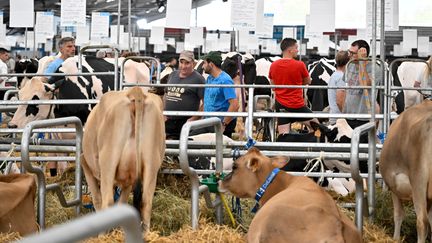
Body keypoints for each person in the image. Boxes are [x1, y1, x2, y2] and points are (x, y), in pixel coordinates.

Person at [269, 38, 318, 135]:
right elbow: (308, 81)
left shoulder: (273, 65)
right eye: (296, 48)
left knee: (283, 135)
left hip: (281, 105)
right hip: (297, 105)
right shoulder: (300, 65)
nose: (297, 50)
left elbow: (273, 86)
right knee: (317, 127)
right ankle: (307, 146)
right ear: (290, 50)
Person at [192, 51, 239, 138]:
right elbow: (207, 102)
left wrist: (223, 124)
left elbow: (235, 105)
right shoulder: (210, 78)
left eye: (204, 63)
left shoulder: (225, 80)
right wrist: (192, 119)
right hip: (209, 122)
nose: (202, 66)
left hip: (218, 123)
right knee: (189, 137)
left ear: (211, 64)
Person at [164, 50, 205, 139]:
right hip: (168, 120)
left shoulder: (199, 79)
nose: (183, 66)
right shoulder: (172, 75)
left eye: (187, 63)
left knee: (183, 148)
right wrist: (163, 113)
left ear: (193, 64)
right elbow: (166, 94)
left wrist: (193, 119)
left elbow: (205, 103)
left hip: (186, 121)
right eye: (181, 62)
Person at [343, 39, 383, 130]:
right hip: (348, 115)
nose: (349, 55)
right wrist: (343, 112)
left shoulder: (375, 68)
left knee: (363, 143)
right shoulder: (349, 65)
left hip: (364, 116)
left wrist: (362, 62)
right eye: (349, 52)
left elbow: (364, 84)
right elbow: (346, 90)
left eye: (353, 53)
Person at [328, 50, 349, 124]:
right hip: (339, 118)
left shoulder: (334, 75)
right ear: (347, 63)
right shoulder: (341, 77)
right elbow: (340, 101)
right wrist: (346, 116)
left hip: (334, 115)